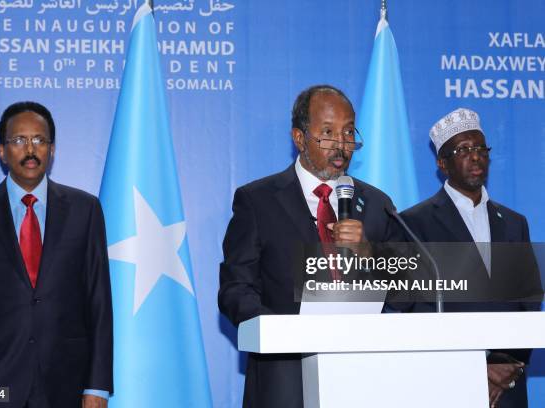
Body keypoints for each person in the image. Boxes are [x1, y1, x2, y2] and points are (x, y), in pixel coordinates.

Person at [218, 85, 403, 407]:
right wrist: (282, 331)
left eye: (348, 132)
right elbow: (236, 289)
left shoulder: (377, 204)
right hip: (284, 376)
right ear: (299, 138)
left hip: (365, 374)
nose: (341, 146)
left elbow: (407, 287)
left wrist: (369, 253)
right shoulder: (257, 201)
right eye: (328, 133)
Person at [0, 102, 113, 408]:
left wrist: (98, 387)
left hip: (67, 384)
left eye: (40, 140)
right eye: (19, 140)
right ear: (1, 151)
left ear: (52, 150)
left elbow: (99, 302)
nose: (30, 149)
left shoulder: (85, 210)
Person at [400, 108, 541, 408]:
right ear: (442, 163)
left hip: (508, 386)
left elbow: (528, 300)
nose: (475, 156)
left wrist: (505, 365)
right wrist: (479, 365)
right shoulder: (414, 223)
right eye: (463, 150)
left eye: (480, 148)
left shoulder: (514, 223)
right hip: (447, 380)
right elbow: (418, 307)